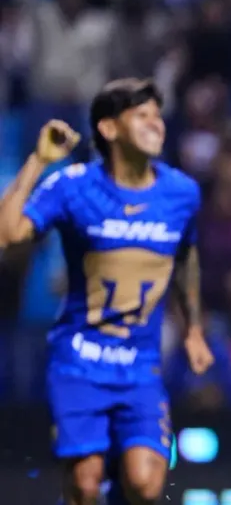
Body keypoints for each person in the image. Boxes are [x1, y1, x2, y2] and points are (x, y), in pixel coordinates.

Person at [0, 78, 214, 505]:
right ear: (109, 128)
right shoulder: (73, 187)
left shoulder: (181, 193)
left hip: (141, 365)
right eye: (142, 115)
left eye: (157, 115)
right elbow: (8, 234)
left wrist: (193, 328)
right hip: (79, 362)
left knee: (145, 484)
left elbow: (186, 258)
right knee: (84, 484)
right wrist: (39, 162)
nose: (156, 124)